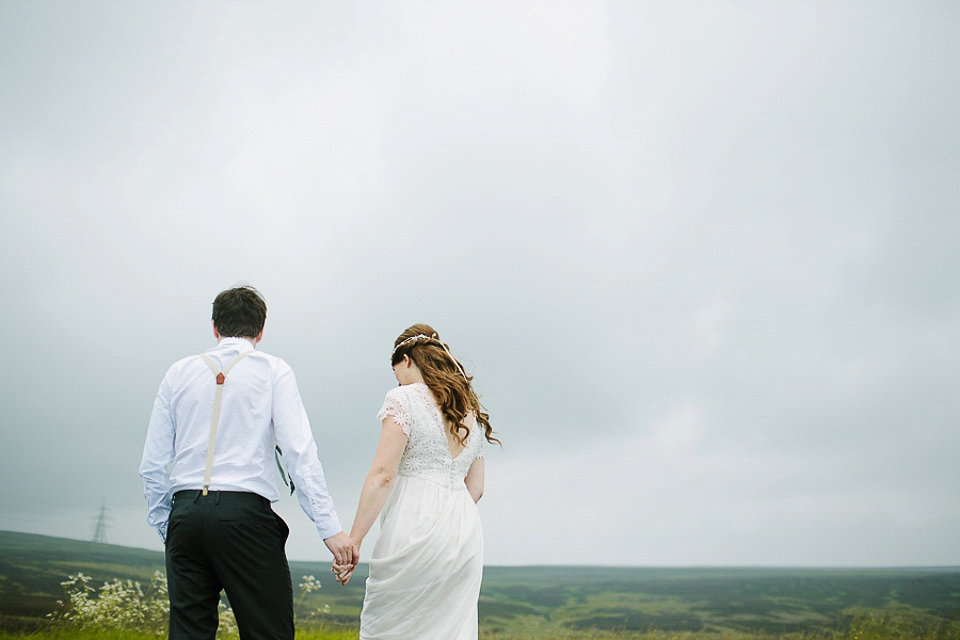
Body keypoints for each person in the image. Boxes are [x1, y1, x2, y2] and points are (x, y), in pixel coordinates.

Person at [139, 285, 355, 640]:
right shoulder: (273, 369)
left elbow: (153, 463)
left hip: (185, 513)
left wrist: (169, 526)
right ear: (261, 330)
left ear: (214, 327)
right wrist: (330, 529)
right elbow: (298, 450)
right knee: (268, 633)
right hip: (244, 517)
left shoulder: (178, 372)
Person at [334, 324, 499, 640]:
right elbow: (476, 487)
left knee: (392, 624)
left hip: (413, 519)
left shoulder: (402, 398)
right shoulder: (469, 410)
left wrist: (354, 541)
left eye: (395, 367)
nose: (395, 377)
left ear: (407, 359)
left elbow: (383, 476)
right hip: (463, 529)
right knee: (449, 628)